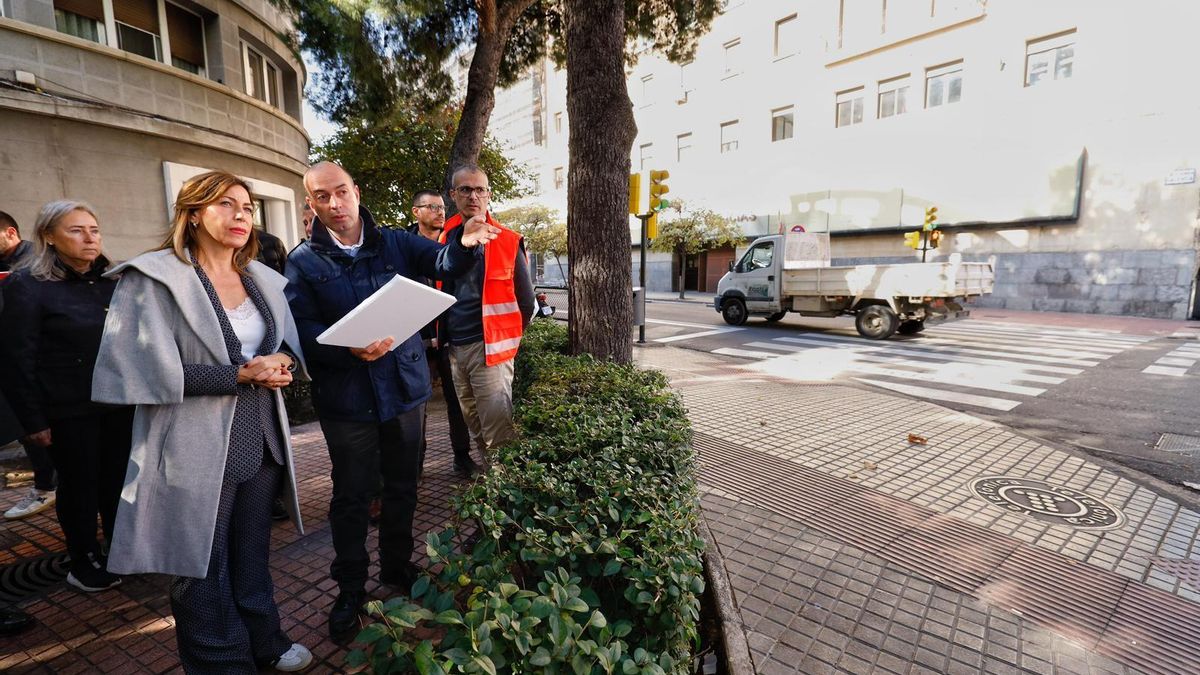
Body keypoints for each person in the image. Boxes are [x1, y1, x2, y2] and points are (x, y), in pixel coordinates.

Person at [92, 171, 312, 672]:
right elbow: (133, 370)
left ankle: (266, 642)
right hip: (190, 445)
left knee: (252, 552)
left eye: (247, 207)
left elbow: (285, 350)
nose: (240, 215)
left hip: (262, 441)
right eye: (226, 204)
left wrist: (283, 365)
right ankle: (220, 661)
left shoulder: (262, 278)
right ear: (192, 213)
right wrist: (237, 373)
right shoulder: (152, 278)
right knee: (200, 565)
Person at [285, 161, 497, 639]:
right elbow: (301, 330)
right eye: (323, 197)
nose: (334, 204)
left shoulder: (397, 243)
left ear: (356, 191)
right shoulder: (303, 261)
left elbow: (443, 263)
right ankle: (351, 590)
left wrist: (463, 244)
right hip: (346, 398)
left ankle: (398, 569)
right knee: (353, 496)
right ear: (312, 204)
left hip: (403, 390)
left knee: (403, 488)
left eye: (341, 192)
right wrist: (344, 346)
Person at [0, 201, 133, 592]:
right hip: (67, 408)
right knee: (80, 486)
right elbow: (15, 358)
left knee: (116, 480)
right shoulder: (29, 285)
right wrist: (33, 421)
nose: (89, 237)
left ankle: (117, 546)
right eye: (76, 230)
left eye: (94, 228)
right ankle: (82, 558)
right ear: (49, 237)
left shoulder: (114, 280)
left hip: (118, 402)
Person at [438, 165, 536, 456]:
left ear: (489, 194)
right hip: (456, 348)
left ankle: (501, 489)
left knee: (498, 430)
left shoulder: (507, 239)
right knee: (474, 423)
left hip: (490, 349)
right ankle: (490, 482)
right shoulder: (445, 238)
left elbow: (526, 302)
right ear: (453, 195)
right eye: (465, 189)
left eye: (480, 189)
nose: (473, 196)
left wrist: (508, 340)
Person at [409, 190, 478, 475]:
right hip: (414, 340)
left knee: (456, 400)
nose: (440, 212)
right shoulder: (404, 246)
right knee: (416, 407)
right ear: (416, 212)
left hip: (449, 336)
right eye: (433, 207)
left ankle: (461, 456)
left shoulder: (454, 242)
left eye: (442, 207)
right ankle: (415, 464)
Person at [0, 211, 58, 519]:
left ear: (10, 233)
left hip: (43, 367)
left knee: (38, 429)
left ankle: (47, 486)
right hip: (16, 364)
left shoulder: (36, 265)